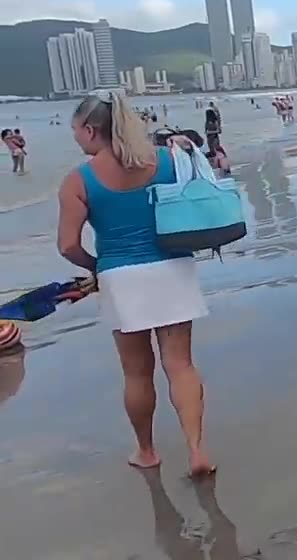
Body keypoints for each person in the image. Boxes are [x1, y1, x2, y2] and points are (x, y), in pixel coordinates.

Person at [56, 90, 214, 476]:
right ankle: (196, 451)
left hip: (120, 277)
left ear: (91, 130)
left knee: (137, 372)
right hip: (173, 268)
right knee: (181, 365)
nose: (75, 138)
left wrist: (97, 266)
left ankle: (147, 451)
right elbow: (196, 182)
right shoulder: (164, 160)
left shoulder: (78, 180)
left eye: (75, 131)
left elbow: (68, 245)